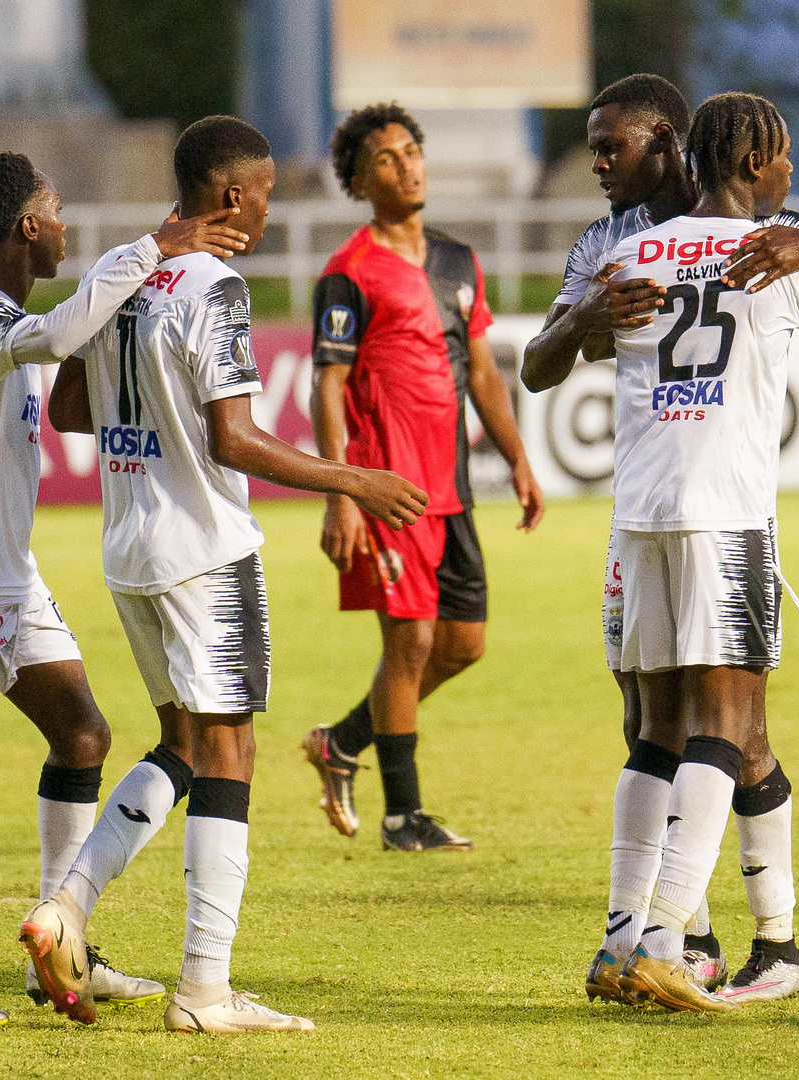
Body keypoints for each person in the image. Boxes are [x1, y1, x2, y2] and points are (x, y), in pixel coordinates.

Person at [23, 116, 429, 1034]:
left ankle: (67, 907)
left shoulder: (125, 273)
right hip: (204, 550)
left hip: (129, 548)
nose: (271, 208)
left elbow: (74, 406)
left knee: (180, 744)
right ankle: (205, 990)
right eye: (269, 193)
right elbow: (233, 438)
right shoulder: (215, 284)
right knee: (231, 752)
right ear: (234, 195)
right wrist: (353, 477)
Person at [521, 74, 799, 1000]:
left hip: (638, 517)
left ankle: (624, 943)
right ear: (753, 162)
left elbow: (556, 352)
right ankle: (667, 939)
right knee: (729, 732)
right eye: (781, 156)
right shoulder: (780, 257)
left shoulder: (634, 255)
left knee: (655, 732)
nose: (790, 171)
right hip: (726, 516)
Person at [0, 152, 249, 1027]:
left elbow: (64, 348)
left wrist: (139, 272)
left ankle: (62, 939)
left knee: (83, 735)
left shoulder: (4, 309)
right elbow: (54, 339)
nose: (61, 221)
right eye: (52, 209)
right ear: (26, 228)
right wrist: (146, 248)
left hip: (8, 574)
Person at [300, 103, 546, 852]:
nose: (407, 166)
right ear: (357, 180)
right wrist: (343, 492)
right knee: (408, 647)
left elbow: (480, 373)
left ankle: (342, 740)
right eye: (386, 159)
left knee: (463, 645)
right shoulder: (347, 275)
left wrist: (518, 457)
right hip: (388, 491)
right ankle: (404, 816)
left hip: (453, 488)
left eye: (413, 151)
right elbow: (329, 386)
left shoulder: (456, 260)